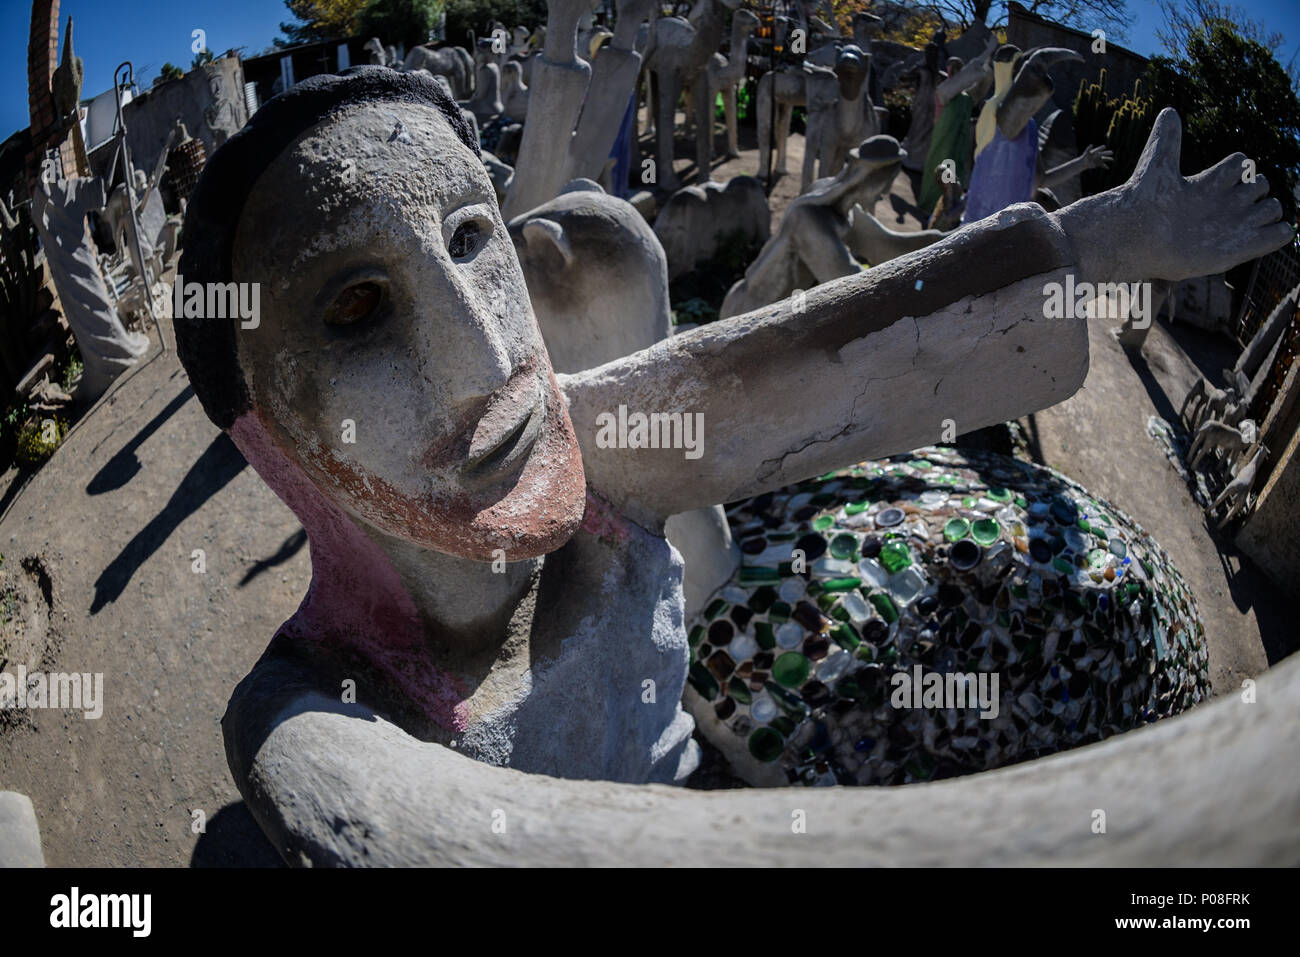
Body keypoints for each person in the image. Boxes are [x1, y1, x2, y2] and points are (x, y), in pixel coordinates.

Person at [173, 68, 1288, 802]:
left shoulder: (603, 451)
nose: (484, 356)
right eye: (357, 309)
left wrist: (1096, 241)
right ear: (267, 440)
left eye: (473, 237)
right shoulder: (319, 713)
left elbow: (843, 349)